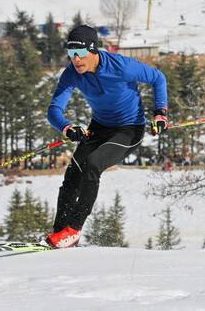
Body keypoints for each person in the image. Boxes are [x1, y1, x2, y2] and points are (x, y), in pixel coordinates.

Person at [44, 25, 168, 248]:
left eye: (80, 54)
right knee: (73, 173)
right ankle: (60, 232)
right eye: (71, 55)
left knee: (93, 164)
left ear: (93, 51)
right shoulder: (72, 73)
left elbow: (158, 78)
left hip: (129, 129)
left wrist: (160, 113)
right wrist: (67, 127)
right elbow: (54, 110)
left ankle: (74, 229)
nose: (76, 60)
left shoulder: (120, 66)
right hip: (99, 128)